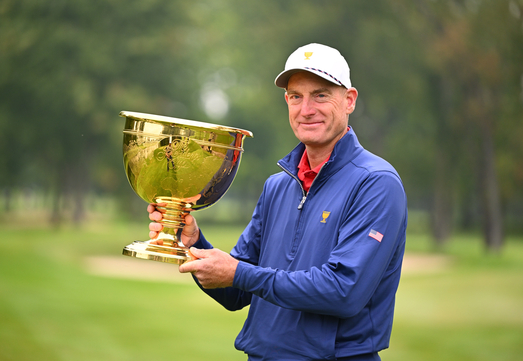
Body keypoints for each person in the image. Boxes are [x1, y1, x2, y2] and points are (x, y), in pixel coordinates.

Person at [148, 43, 408, 361]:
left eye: (321, 95)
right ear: (287, 101)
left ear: (349, 100)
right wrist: (192, 242)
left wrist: (238, 273)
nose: (306, 109)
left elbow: (343, 292)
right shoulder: (278, 186)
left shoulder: (376, 183)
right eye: (296, 96)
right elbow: (235, 292)